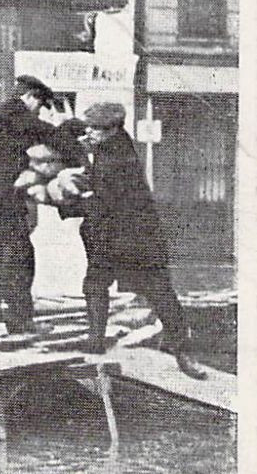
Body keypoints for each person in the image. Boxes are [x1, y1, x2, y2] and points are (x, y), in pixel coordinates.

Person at [64, 103, 206, 378]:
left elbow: (104, 200)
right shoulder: (111, 147)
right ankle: (95, 343)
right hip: (110, 236)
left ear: (112, 130)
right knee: (96, 284)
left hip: (134, 240)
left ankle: (183, 351)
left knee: (159, 293)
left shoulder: (119, 160)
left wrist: (67, 204)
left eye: (95, 129)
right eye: (89, 127)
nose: (89, 133)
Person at [0, 75, 72, 338]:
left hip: (3, 199)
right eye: (40, 106)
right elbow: (45, 132)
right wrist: (71, 129)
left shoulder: (11, 118)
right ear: (30, 97)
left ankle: (20, 320)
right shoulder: (12, 113)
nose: (39, 112)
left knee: (21, 257)